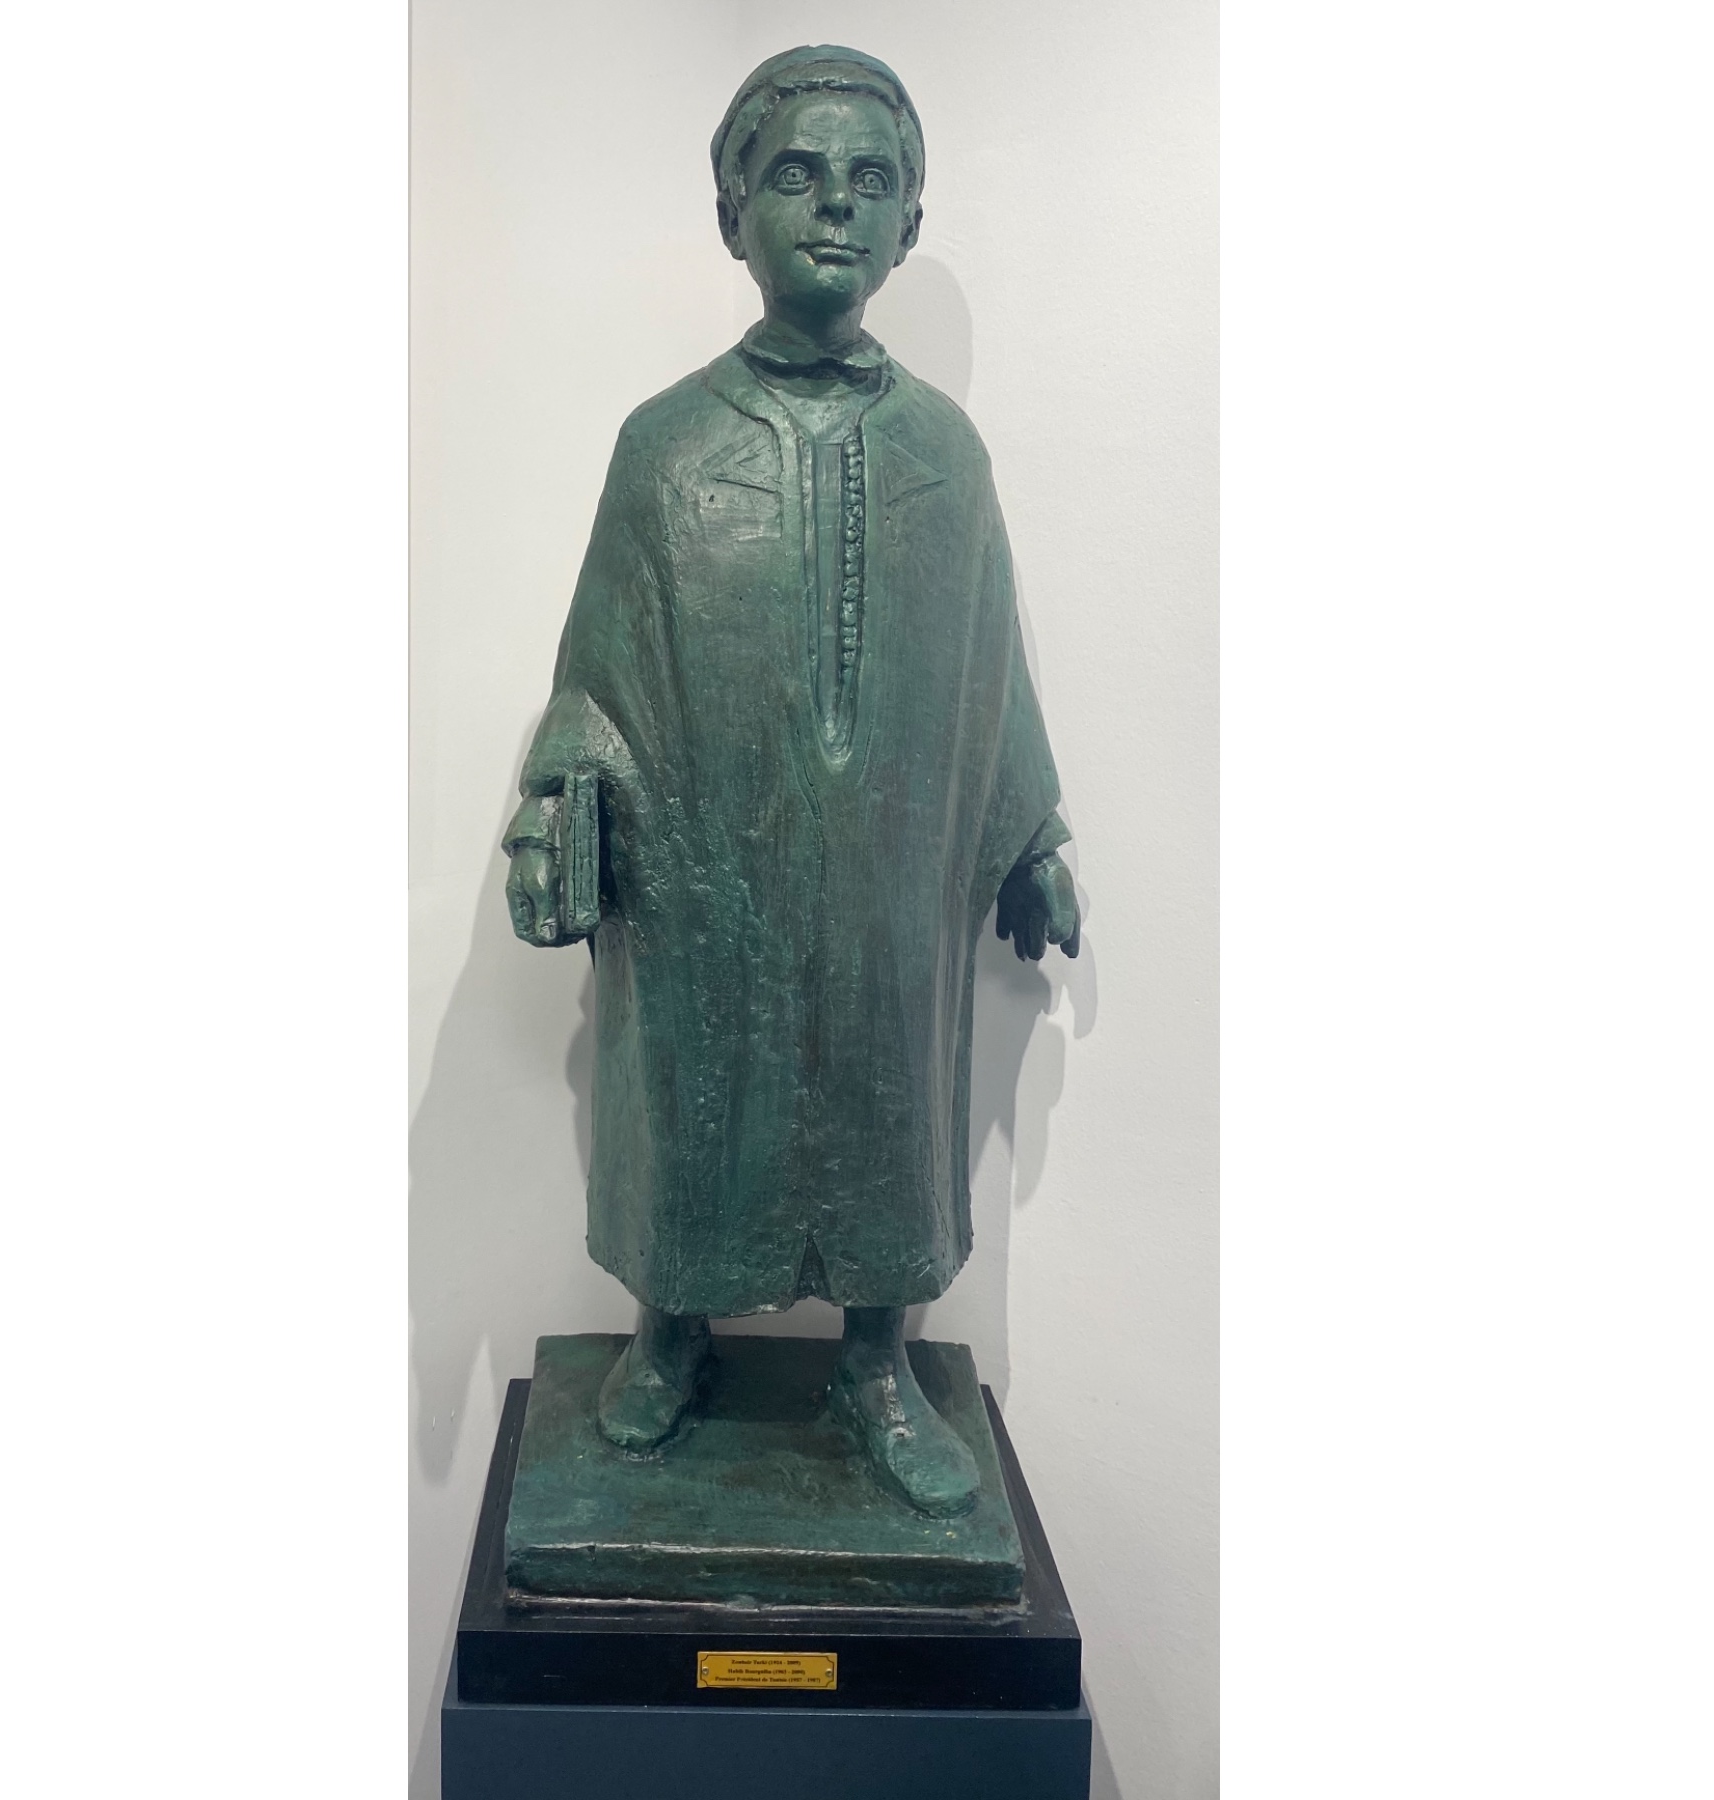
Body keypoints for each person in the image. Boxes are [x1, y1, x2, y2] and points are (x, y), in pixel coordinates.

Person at [504, 45, 1079, 1517]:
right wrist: (560, 802)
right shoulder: (665, 445)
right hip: (706, 867)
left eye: (870, 181)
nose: (835, 206)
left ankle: (877, 1366)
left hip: (892, 870)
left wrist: (1032, 836)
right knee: (690, 1082)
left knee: (895, 1090)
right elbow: (597, 666)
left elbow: (992, 663)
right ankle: (670, 1333)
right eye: (797, 175)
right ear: (731, 213)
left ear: (910, 221)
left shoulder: (947, 454)